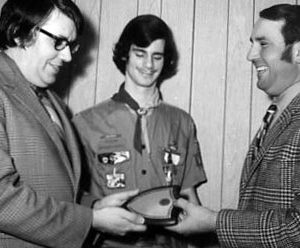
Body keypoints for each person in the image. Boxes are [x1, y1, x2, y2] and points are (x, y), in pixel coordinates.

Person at [0, 0, 146, 247]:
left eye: (71, 45)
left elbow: (55, 187)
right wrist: (90, 220)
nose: (67, 56)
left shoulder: (51, 101)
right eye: (58, 42)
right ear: (18, 34)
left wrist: (94, 206)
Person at [167, 3, 300, 248]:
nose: (250, 54)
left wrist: (213, 222)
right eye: (252, 43)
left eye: (263, 44)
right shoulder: (277, 113)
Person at [73, 14, 207, 247]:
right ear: (125, 53)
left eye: (157, 56)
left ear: (166, 61)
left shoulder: (182, 122)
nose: (148, 65)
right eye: (140, 54)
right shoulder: (86, 123)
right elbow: (71, 195)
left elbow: (189, 193)